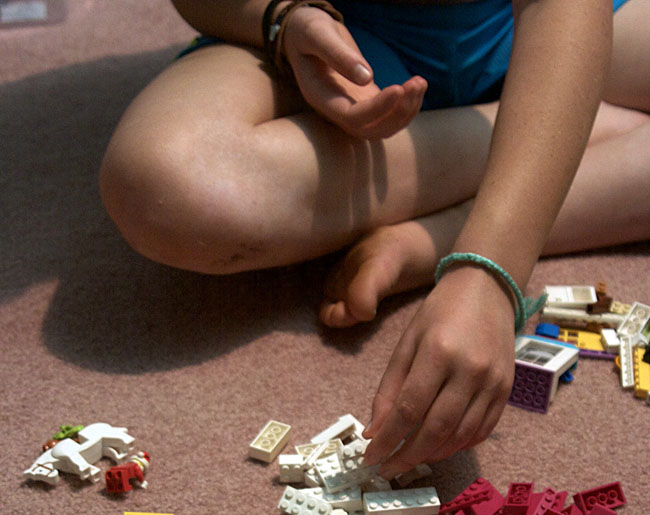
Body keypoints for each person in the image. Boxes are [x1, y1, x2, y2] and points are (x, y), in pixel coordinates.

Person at [100, 0, 649, 478]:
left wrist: (486, 269)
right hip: (338, 33)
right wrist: (281, 18)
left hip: (544, 21)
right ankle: (580, 133)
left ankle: (437, 233)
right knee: (164, 187)